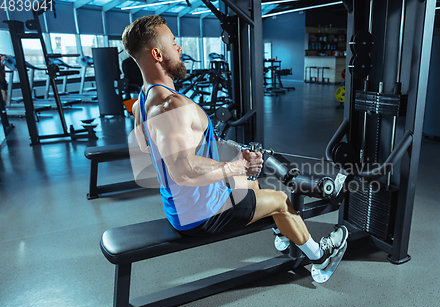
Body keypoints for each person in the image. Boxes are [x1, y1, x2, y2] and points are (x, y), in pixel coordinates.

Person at [122, 15, 347, 273]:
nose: (179, 47)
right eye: (173, 43)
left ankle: (284, 233)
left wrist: (213, 156)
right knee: (281, 199)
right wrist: (235, 167)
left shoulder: (141, 102)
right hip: (200, 215)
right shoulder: (172, 105)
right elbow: (182, 170)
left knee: (253, 181)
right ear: (157, 54)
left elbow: (146, 147)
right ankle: (320, 258)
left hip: (178, 206)